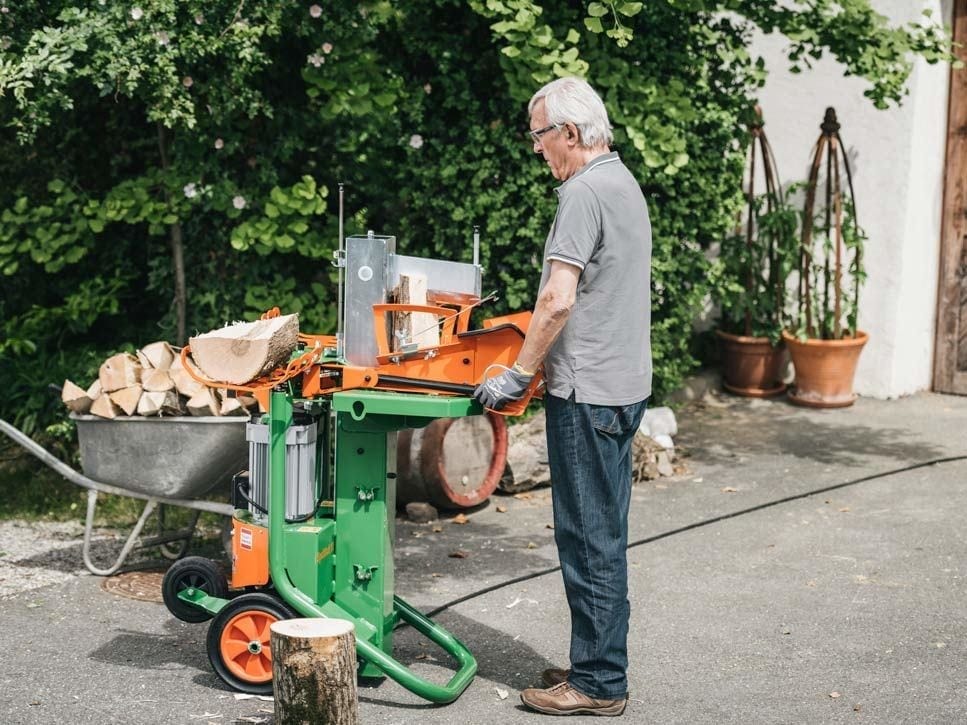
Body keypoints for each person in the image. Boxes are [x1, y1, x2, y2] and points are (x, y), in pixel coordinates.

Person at [473, 77, 652, 717]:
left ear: (569, 134)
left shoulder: (581, 193)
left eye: (540, 135)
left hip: (589, 395)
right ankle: (593, 661)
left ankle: (599, 682)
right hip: (623, 385)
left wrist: (517, 374)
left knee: (586, 538)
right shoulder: (622, 182)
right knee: (601, 532)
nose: (536, 149)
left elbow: (557, 299)